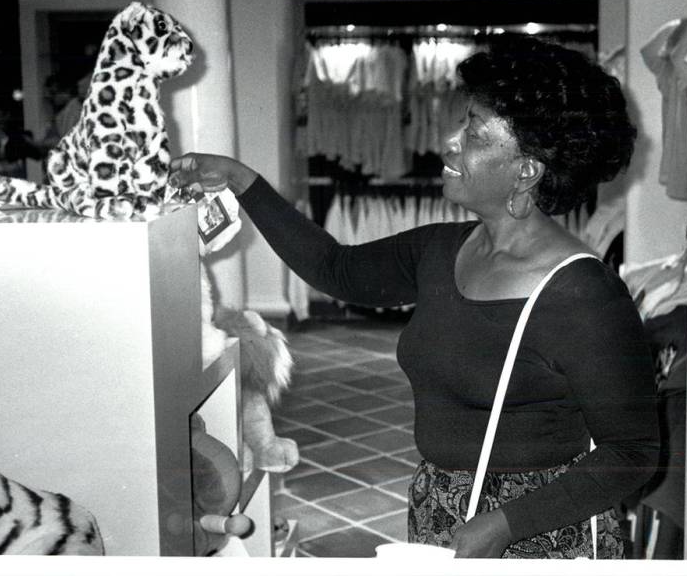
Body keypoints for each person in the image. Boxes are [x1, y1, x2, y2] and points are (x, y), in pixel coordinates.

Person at [169, 35, 660, 559]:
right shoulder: (439, 251)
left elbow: (632, 452)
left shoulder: (583, 294)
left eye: (473, 130)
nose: (449, 140)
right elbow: (336, 269)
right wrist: (244, 182)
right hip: (441, 507)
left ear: (527, 169)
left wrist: (505, 524)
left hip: (540, 531)